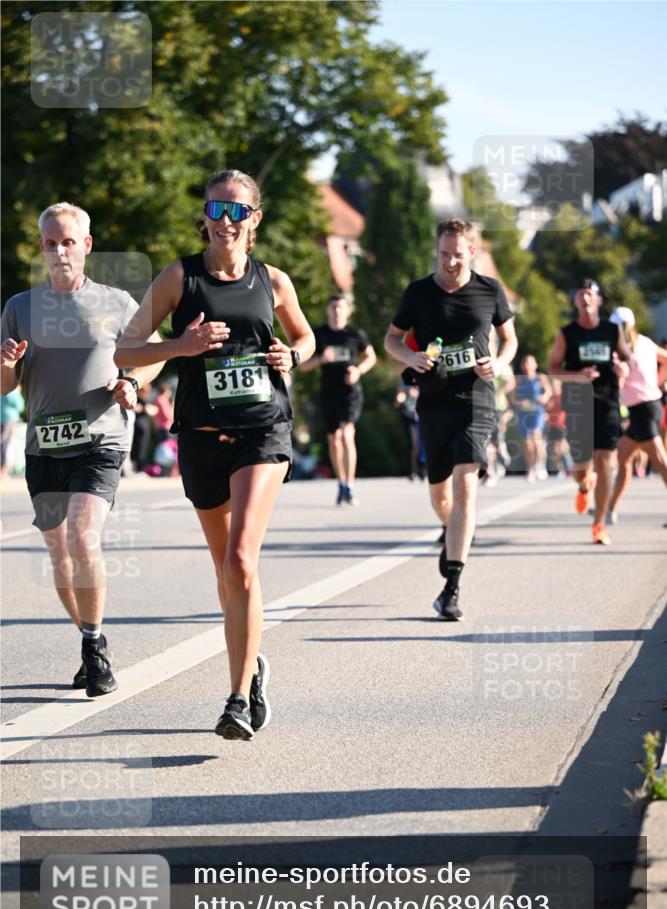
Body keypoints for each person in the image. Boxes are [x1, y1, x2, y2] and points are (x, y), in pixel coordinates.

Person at [114, 168, 315, 740]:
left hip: (263, 431)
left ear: (254, 220)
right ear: (204, 215)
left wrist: (292, 358)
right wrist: (181, 347)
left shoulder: (273, 281)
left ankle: (236, 698)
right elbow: (128, 349)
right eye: (217, 209)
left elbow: (306, 336)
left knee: (242, 561)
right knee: (225, 572)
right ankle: (253, 666)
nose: (226, 221)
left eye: (238, 211)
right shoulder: (180, 277)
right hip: (201, 435)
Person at [0, 202, 163, 695]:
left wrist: (132, 380)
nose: (59, 251)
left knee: (82, 537)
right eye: (50, 243)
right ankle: (89, 635)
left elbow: (152, 354)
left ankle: (93, 650)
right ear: (42, 247)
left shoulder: (116, 303)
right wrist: (7, 361)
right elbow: (5, 387)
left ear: (86, 245)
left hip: (101, 440)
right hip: (44, 445)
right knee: (59, 552)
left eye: (68, 241)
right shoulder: (19, 308)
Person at [385, 217, 518, 621]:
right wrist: (410, 357)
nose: (449, 263)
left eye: (457, 256)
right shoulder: (419, 293)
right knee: (441, 497)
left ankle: (452, 587)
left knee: (465, 486)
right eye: (444, 255)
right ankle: (455, 530)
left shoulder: (489, 291)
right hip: (434, 402)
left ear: (472, 252)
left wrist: (498, 362)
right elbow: (391, 338)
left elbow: (510, 339)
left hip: (477, 400)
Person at [548, 278, 629, 545]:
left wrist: (623, 369)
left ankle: (599, 523)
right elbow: (553, 369)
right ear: (575, 300)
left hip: (607, 401)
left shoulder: (611, 330)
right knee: (582, 467)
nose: (585, 297)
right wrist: (577, 375)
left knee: (605, 459)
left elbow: (627, 358)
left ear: (599, 300)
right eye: (580, 293)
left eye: (590, 293)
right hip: (578, 403)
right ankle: (584, 484)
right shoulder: (567, 334)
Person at [300, 294, 376, 505]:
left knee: (346, 434)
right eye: (333, 307)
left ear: (347, 310)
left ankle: (350, 485)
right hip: (328, 392)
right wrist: (320, 359)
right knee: (334, 440)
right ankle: (341, 484)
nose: (336, 311)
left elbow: (371, 356)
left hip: (350, 392)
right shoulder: (319, 335)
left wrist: (358, 370)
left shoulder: (354, 334)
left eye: (340, 307)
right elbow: (303, 366)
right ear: (327, 310)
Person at [607, 306, 667, 521]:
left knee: (661, 461)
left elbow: (620, 378)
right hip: (648, 406)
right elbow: (666, 359)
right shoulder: (645, 342)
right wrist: (657, 383)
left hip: (643, 409)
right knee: (624, 458)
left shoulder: (621, 350)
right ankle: (610, 509)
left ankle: (609, 509)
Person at [511, 355, 551, 481]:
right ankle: (530, 468)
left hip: (538, 412)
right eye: (525, 363)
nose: (527, 366)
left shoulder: (541, 378)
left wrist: (544, 397)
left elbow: (549, 392)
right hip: (524, 413)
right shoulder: (518, 380)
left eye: (530, 363)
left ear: (535, 365)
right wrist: (519, 402)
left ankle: (539, 464)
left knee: (536, 437)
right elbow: (512, 397)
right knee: (527, 442)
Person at [0, 385, 24, 478]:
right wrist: (17, 392)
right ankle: (3, 470)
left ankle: (2, 470)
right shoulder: (10, 389)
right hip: (9, 420)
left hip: (2, 418)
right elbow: (20, 405)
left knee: (3, 444)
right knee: (6, 445)